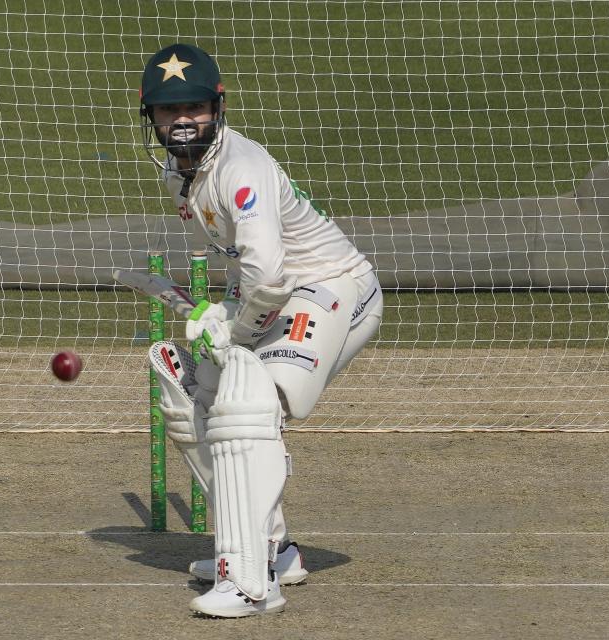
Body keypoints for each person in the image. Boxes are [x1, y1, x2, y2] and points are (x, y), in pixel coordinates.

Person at [140, 43, 383, 618]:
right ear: (149, 116)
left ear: (218, 106)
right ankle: (273, 551)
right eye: (168, 110)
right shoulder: (183, 177)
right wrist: (222, 315)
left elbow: (271, 275)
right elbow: (242, 267)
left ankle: (250, 584)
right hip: (277, 294)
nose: (181, 120)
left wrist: (241, 328)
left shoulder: (240, 168)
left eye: (194, 106)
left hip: (334, 288)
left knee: (249, 400)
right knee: (193, 389)